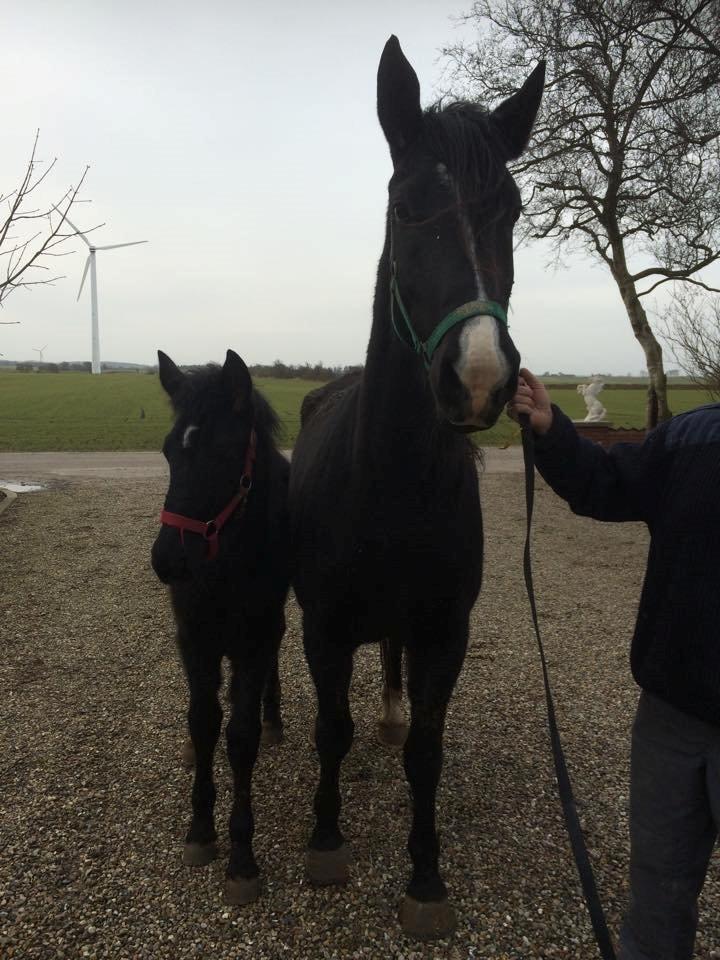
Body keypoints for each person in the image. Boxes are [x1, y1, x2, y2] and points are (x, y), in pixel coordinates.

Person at [507, 369, 720, 960]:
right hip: (672, 717)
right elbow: (606, 482)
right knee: (657, 892)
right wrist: (551, 430)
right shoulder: (693, 438)